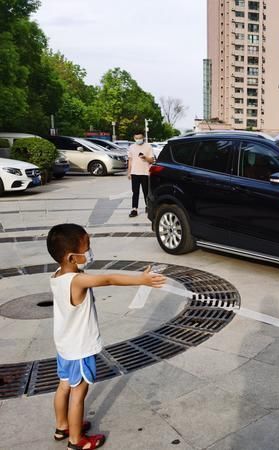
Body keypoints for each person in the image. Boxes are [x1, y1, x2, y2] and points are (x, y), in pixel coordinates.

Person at [46, 224, 166, 450]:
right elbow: (109, 279)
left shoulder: (58, 276)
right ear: (72, 257)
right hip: (79, 349)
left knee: (63, 386)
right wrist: (141, 280)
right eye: (87, 248)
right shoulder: (77, 281)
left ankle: (62, 427)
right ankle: (76, 440)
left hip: (64, 347)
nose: (90, 252)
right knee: (78, 393)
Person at [127, 132, 155, 218]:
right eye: (136, 138)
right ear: (134, 138)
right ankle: (134, 209)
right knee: (135, 192)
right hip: (135, 172)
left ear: (143, 138)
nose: (138, 140)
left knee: (146, 191)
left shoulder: (148, 146)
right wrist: (129, 172)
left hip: (145, 172)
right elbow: (130, 160)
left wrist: (145, 157)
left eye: (140, 138)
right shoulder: (131, 147)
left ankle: (148, 206)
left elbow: (152, 160)